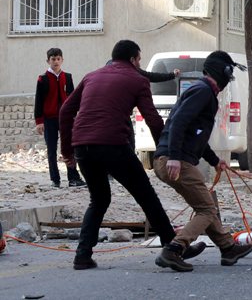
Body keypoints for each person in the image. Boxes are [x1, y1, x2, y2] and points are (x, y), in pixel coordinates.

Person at [59, 40, 202, 271]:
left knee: (99, 199)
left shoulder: (91, 76)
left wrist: (67, 151)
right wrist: (163, 152)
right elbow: (153, 119)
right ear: (135, 59)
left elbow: (66, 111)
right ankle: (172, 248)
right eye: (140, 60)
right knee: (146, 196)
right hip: (113, 145)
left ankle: (82, 255)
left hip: (83, 146)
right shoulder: (137, 79)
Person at [152, 51, 252, 272]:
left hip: (172, 158)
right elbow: (179, 122)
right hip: (175, 161)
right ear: (222, 73)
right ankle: (173, 250)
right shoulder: (203, 92)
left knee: (205, 205)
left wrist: (216, 160)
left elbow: (196, 136)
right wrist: (176, 157)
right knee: (207, 209)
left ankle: (228, 249)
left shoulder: (203, 91)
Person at [35, 47, 84, 188]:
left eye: (58, 59)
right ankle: (55, 180)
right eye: (53, 59)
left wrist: (75, 116)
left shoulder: (67, 77)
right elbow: (39, 101)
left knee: (68, 148)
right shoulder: (42, 79)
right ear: (48, 61)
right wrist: (39, 121)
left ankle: (73, 178)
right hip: (49, 120)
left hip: (66, 119)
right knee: (51, 149)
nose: (56, 62)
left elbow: (73, 98)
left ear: (62, 60)